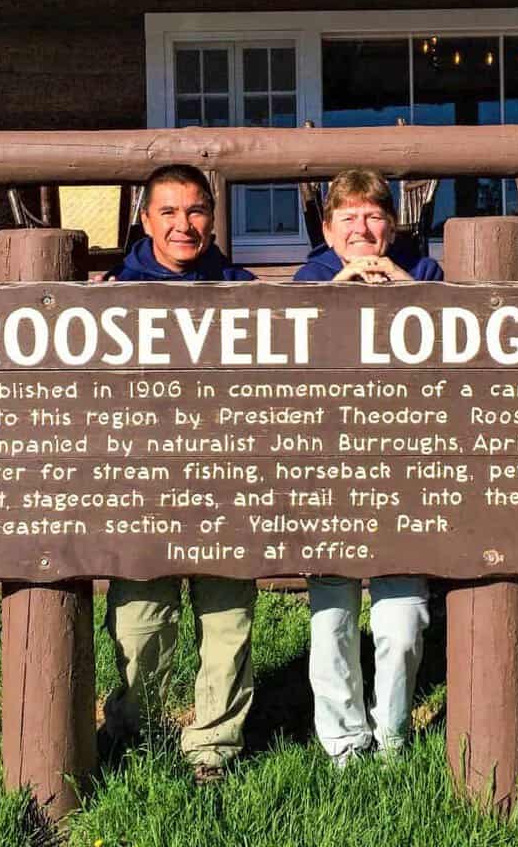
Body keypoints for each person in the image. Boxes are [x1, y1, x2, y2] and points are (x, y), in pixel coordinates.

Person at [99, 163, 257, 785]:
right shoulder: (110, 294)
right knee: (139, 624)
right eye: (168, 212)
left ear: (212, 220)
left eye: (195, 211)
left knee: (227, 622)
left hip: (225, 486)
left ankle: (213, 746)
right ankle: (136, 728)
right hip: (144, 489)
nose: (183, 224)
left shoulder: (244, 290)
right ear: (146, 220)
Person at [293, 168, 442, 767]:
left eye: (374, 216)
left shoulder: (424, 272)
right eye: (348, 217)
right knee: (332, 619)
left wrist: (401, 289)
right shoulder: (311, 277)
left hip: (403, 472)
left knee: (402, 623)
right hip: (330, 472)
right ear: (329, 230)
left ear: (391, 225)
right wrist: (337, 294)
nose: (362, 227)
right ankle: (343, 745)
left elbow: (457, 352)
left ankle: (394, 738)